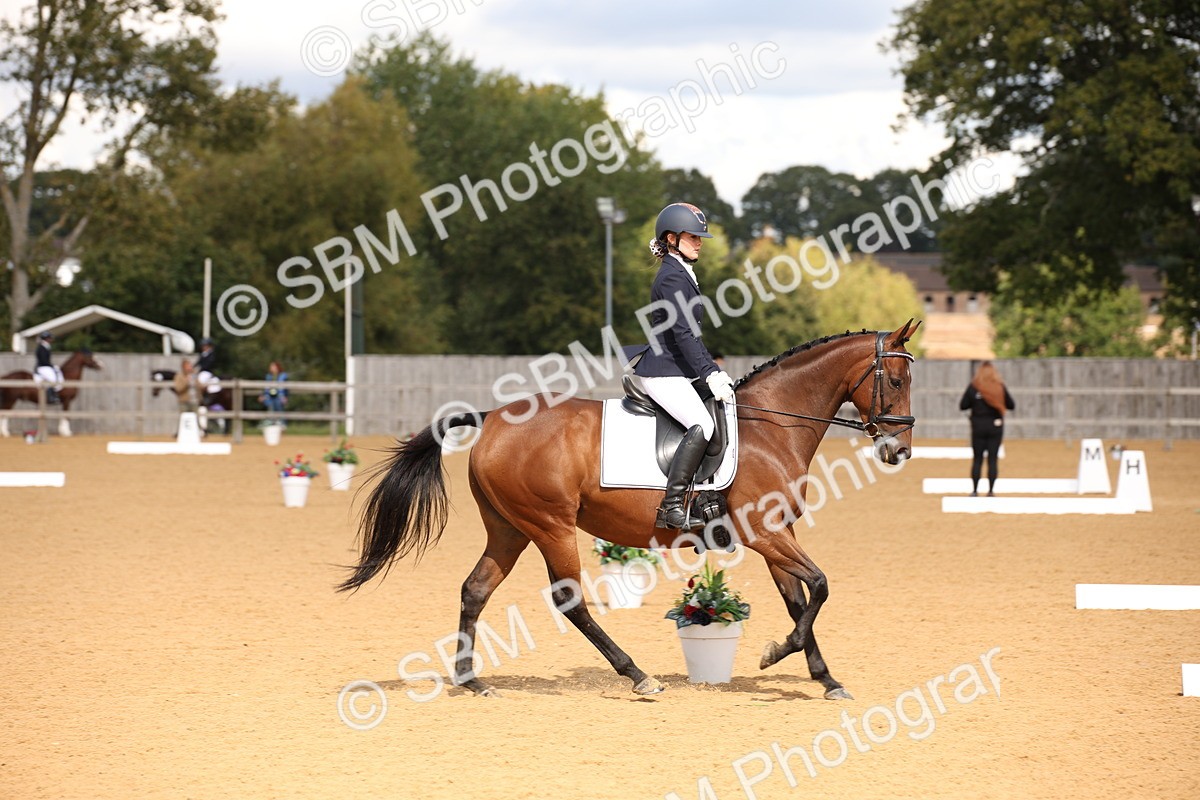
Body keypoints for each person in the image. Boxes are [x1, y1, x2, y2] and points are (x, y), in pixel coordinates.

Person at [628, 202, 735, 530]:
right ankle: (671, 507)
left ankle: (707, 497)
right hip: (663, 372)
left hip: (679, 369)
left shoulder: (681, 273)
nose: (700, 241)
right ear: (672, 238)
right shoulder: (672, 278)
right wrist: (711, 372)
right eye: (693, 236)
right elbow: (684, 335)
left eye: (701, 236)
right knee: (703, 423)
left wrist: (710, 370)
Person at [960, 361, 1015, 496]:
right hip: (995, 428)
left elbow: (963, 405)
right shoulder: (999, 387)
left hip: (978, 427)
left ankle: (974, 490)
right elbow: (1011, 405)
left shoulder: (974, 387)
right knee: (992, 459)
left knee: (977, 459)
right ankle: (991, 491)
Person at [32, 332, 64, 405]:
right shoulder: (42, 347)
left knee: (57, 372)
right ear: (46, 339)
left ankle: (54, 394)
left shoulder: (46, 346)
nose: (51, 339)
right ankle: (51, 397)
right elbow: (43, 360)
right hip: (43, 367)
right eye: (50, 338)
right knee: (52, 379)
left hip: (46, 366)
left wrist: (52, 366)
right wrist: (51, 365)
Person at [258, 361, 289, 427]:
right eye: (271, 367)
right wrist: (262, 396)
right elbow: (265, 388)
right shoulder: (268, 376)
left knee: (278, 405)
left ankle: (282, 423)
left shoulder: (283, 376)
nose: (272, 368)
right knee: (270, 405)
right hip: (269, 396)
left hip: (279, 396)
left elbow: (286, 389)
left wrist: (285, 397)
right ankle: (270, 422)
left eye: (273, 366)